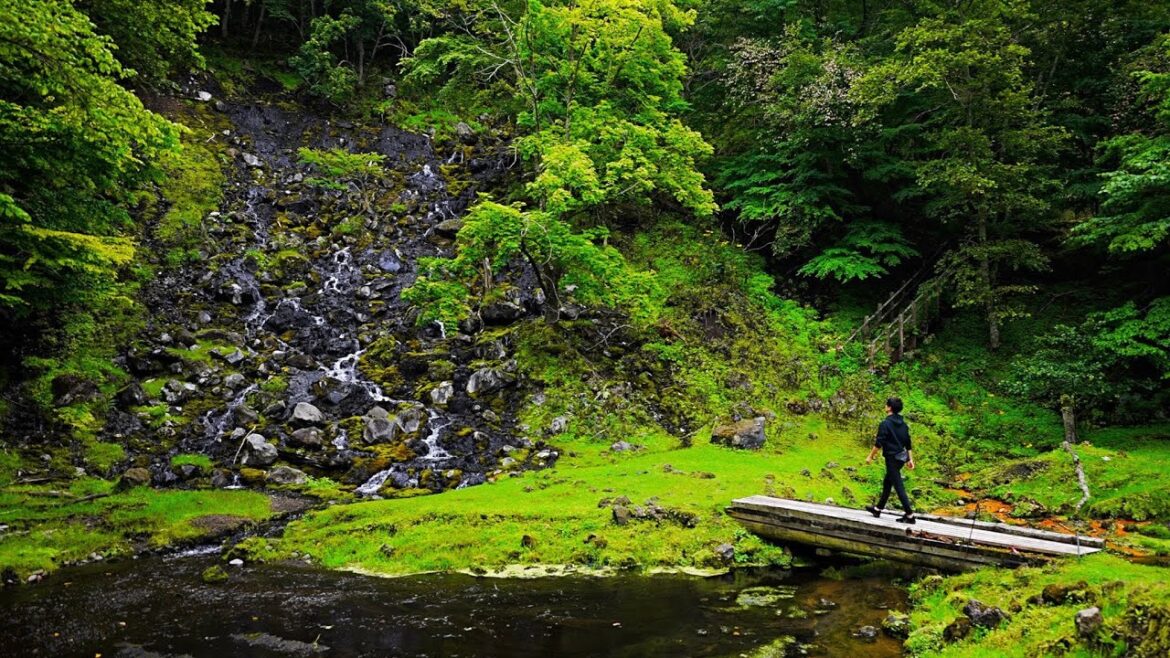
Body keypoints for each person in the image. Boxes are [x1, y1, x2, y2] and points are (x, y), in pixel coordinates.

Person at [864, 396, 916, 524]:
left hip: (892, 458)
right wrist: (910, 459)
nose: (885, 406)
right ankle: (878, 509)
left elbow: (879, 442)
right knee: (888, 482)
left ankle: (910, 515)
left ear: (889, 407)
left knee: (898, 485)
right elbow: (908, 443)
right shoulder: (904, 425)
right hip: (901, 458)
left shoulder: (885, 424)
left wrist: (870, 456)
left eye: (886, 405)